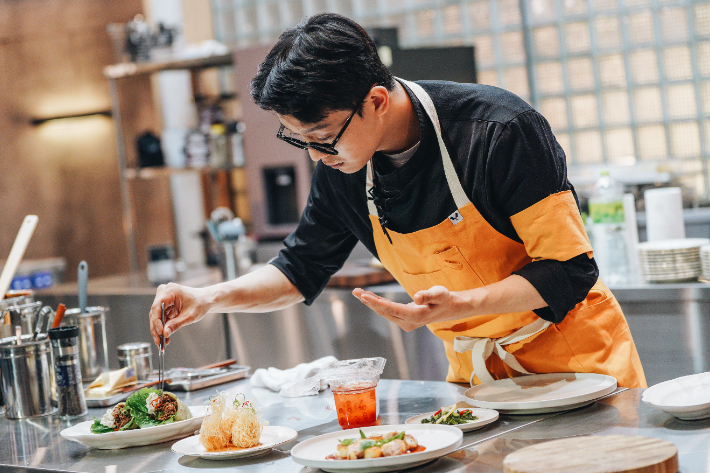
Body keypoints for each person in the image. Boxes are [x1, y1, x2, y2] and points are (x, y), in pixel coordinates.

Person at [149, 13, 646, 388]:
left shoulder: (499, 130)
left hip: (578, 368)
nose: (318, 156)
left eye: (322, 136)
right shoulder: (344, 166)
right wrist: (210, 298)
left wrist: (460, 305)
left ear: (377, 102)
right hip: (479, 386)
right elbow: (299, 268)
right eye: (299, 140)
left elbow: (569, 269)